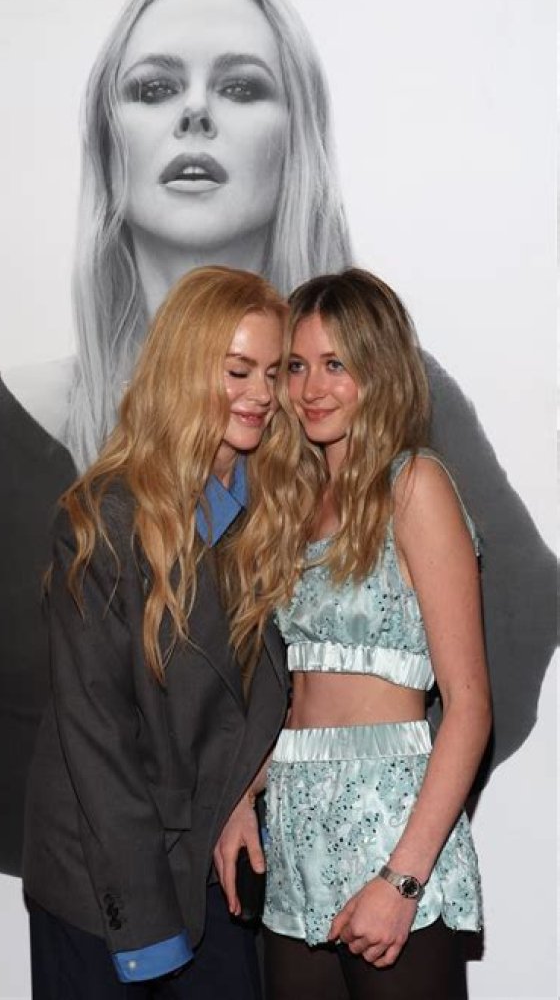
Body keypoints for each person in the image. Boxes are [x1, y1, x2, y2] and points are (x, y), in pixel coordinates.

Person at [0, 0, 553, 879]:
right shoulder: (23, 421)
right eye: (154, 87)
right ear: (109, 143)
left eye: (242, 86)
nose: (195, 113)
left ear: (298, 139)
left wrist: (379, 829)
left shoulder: (399, 398)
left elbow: (515, 632)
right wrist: (120, 830)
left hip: (330, 875)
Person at [22, 265, 303, 998]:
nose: (262, 394)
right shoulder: (102, 520)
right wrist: (148, 931)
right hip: (102, 876)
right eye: (238, 370)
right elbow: (99, 743)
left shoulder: (273, 512)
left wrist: (245, 794)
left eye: (274, 372)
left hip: (214, 857)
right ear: (183, 371)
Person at [216, 269, 491, 1000]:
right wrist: (244, 794)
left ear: (379, 370)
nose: (311, 387)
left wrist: (403, 878)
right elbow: (301, 701)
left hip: (391, 822)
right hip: (295, 827)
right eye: (296, 366)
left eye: (335, 363)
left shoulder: (415, 485)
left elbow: (468, 706)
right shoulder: (292, 504)